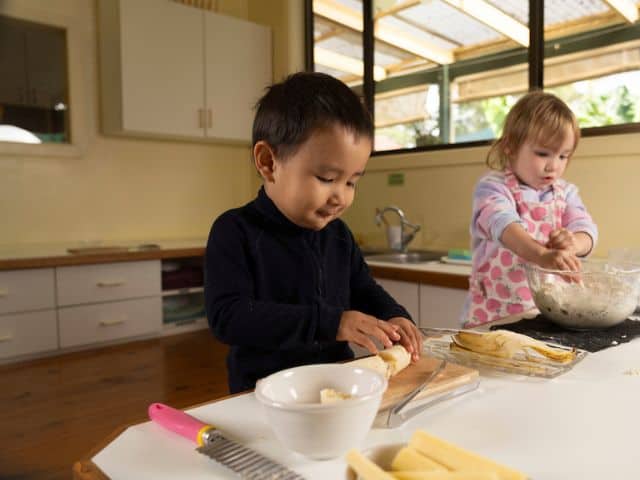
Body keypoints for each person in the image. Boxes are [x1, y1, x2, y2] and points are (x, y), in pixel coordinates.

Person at [205, 72, 423, 393]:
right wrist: (331, 323)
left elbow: (363, 289)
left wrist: (394, 315)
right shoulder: (234, 231)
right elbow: (229, 317)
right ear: (268, 162)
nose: (341, 196)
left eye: (351, 182)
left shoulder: (339, 235)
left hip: (337, 382)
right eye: (326, 178)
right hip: (265, 392)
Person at [462, 90, 598, 328]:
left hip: (548, 315)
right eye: (542, 153)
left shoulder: (566, 193)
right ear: (510, 147)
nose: (553, 166)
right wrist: (542, 255)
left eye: (563, 156)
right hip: (493, 317)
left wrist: (574, 244)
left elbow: (586, 228)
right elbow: (503, 225)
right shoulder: (493, 188)